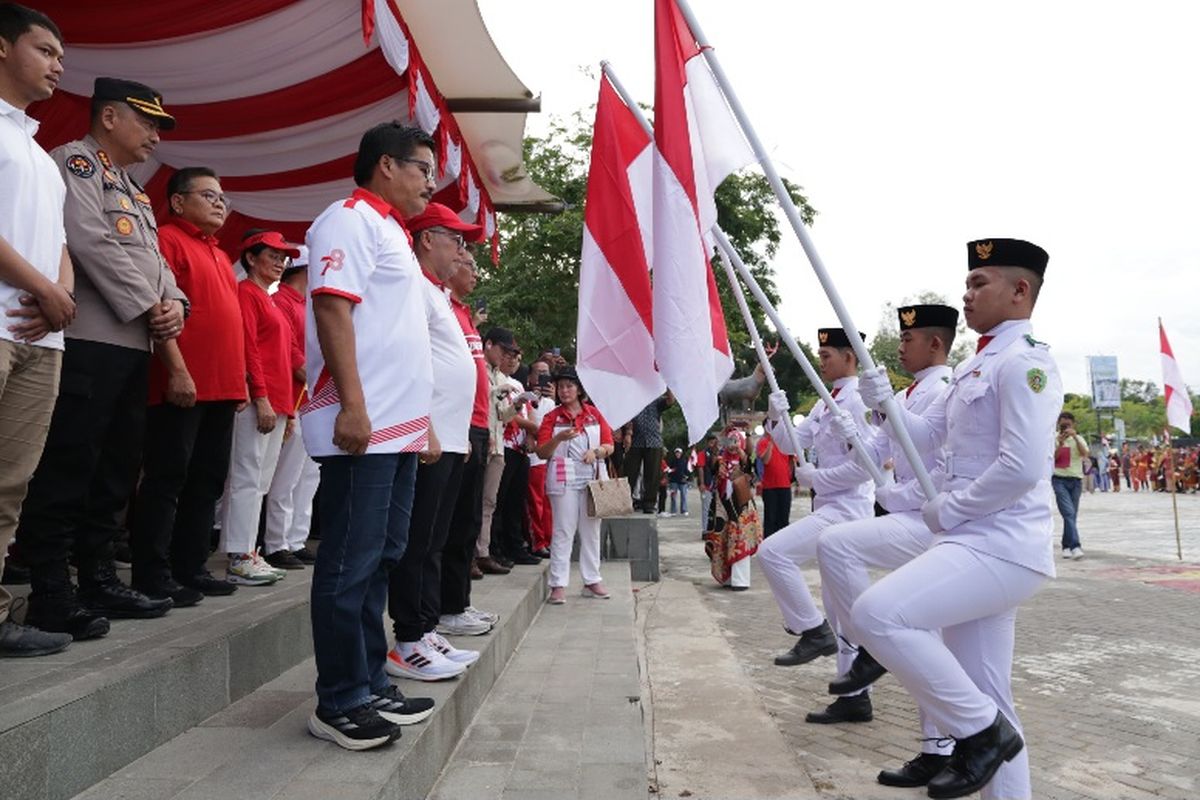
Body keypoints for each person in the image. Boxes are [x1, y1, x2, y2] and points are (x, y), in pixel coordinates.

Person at [852, 238, 1061, 800]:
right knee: (987, 689)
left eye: (979, 283)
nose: (966, 294)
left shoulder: (1026, 362)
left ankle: (980, 733)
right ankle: (988, 734)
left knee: (879, 613)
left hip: (1001, 543)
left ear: (1021, 291)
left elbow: (1020, 468)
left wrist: (950, 508)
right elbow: (925, 440)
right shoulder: (977, 365)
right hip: (975, 541)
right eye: (967, 283)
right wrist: (887, 403)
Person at [20, 77, 185, 638]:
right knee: (70, 466)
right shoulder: (75, 165)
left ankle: (97, 578)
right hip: (90, 340)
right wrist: (149, 307)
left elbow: (157, 260)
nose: (155, 138)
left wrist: (175, 307)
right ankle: (50, 588)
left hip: (133, 344)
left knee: (115, 470)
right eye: (148, 124)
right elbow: (89, 240)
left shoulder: (135, 191)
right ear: (110, 117)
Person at [302, 122, 438, 751]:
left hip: (398, 429)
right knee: (349, 563)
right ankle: (339, 699)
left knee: (381, 557)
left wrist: (422, 424)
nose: (429, 182)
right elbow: (333, 307)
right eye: (421, 169)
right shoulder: (348, 218)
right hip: (365, 425)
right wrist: (352, 406)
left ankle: (368, 678)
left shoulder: (393, 233)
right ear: (386, 165)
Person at [815, 303, 959, 788]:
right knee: (925, 636)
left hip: (927, 521)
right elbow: (878, 452)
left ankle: (869, 647)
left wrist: (889, 416)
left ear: (934, 344)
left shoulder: (945, 391)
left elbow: (929, 460)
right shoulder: (910, 391)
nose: (899, 346)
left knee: (837, 546)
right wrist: (855, 435)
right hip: (905, 514)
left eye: (908, 339)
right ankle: (937, 746)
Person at [0, 3, 76, 657]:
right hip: (3, 325)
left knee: (11, 484)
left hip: (39, 340)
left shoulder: (40, 155)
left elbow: (61, 245)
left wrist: (62, 294)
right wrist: (46, 290)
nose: (57, 65)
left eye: (59, 55)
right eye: (44, 50)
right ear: (2, 48)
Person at [131, 167, 244, 600]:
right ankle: (152, 574)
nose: (219, 203)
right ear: (178, 201)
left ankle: (190, 565)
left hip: (222, 387)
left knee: (208, 481)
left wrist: (240, 384)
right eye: (209, 195)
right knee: (167, 478)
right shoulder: (166, 239)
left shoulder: (218, 252)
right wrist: (176, 369)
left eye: (222, 198)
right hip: (182, 382)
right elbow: (159, 310)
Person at [756, 327, 876, 725]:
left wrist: (816, 480)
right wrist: (777, 415)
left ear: (849, 356)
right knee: (843, 610)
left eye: (827, 355)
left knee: (772, 552)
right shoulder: (827, 403)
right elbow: (792, 444)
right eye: (820, 355)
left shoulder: (858, 401)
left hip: (847, 511)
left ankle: (812, 631)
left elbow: (866, 467)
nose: (821, 362)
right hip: (828, 508)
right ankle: (853, 695)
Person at [385, 202, 482, 682]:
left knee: (434, 539)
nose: (461, 250)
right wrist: (423, 425)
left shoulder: (438, 295)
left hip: (453, 438)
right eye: (455, 240)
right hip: (430, 436)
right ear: (427, 240)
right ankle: (406, 639)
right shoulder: (414, 289)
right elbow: (409, 360)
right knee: (416, 540)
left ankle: (423, 627)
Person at [218, 230, 303, 585]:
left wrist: (288, 410)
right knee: (246, 477)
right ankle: (238, 554)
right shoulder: (246, 294)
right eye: (273, 255)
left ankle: (249, 551)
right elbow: (248, 349)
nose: (281, 263)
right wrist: (261, 396)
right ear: (251, 258)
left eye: (284, 258)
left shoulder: (267, 299)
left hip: (280, 401)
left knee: (261, 480)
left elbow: (283, 357)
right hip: (259, 400)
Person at [438, 251, 496, 637]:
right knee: (451, 523)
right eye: (469, 265)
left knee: (469, 522)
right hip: (455, 428)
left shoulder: (462, 315)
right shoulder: (442, 309)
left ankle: (459, 602)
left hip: (476, 427)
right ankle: (443, 609)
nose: (475, 274)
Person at [534, 366, 613, 605]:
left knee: (591, 531)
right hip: (563, 478)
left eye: (569, 386)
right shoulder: (552, 417)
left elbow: (609, 445)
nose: (564, 391)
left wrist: (596, 451)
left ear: (579, 389)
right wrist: (558, 438)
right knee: (563, 530)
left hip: (592, 479)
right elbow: (541, 451)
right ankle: (558, 584)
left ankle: (592, 580)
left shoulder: (595, 415)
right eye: (561, 387)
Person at [263, 247, 319, 567]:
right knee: (286, 476)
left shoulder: (307, 305)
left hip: (312, 400)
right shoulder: (281, 300)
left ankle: (296, 538)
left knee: (307, 475)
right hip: (293, 396)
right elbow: (291, 352)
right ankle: (276, 541)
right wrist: (309, 372)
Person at [475, 327, 520, 574]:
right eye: (503, 350)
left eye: (510, 352)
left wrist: (519, 403)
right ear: (488, 344)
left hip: (497, 444)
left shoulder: (501, 377)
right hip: (478, 440)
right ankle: (469, 554)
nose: (506, 357)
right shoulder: (477, 367)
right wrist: (496, 391)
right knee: (470, 501)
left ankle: (483, 551)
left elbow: (503, 415)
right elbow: (477, 398)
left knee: (489, 502)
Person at [704, 427, 761, 589]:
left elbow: (749, 460)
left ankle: (741, 580)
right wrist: (718, 446)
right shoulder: (721, 459)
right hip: (723, 507)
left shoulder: (744, 460)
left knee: (740, 539)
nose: (733, 445)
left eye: (736, 441)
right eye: (730, 441)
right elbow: (712, 466)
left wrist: (747, 435)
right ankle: (726, 577)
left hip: (741, 507)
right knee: (723, 540)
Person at [524, 358, 555, 559]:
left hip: (549, 458)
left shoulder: (552, 403)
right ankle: (538, 541)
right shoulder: (524, 398)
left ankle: (549, 539)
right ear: (530, 376)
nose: (542, 377)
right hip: (533, 457)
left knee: (548, 501)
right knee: (535, 502)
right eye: (538, 372)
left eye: (546, 373)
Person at [623, 394, 672, 513]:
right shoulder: (631, 399)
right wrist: (628, 433)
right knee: (629, 473)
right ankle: (625, 501)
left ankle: (649, 503)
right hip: (635, 441)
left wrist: (670, 382)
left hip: (654, 441)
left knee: (653, 474)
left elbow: (670, 401)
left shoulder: (656, 400)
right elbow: (626, 417)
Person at [1052, 411, 1088, 561]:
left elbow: (1084, 453)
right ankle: (1075, 546)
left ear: (1073, 425)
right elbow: (1053, 458)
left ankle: (1066, 545)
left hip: (1075, 479)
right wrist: (1060, 443)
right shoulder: (1053, 438)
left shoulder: (1078, 438)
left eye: (1068, 424)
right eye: (1063, 424)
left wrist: (1075, 437)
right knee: (1068, 512)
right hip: (1059, 479)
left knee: (1072, 514)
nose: (1065, 426)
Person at [756, 428, 794, 538]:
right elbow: (766, 460)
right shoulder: (763, 442)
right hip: (769, 486)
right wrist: (771, 443)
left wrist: (790, 476)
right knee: (770, 518)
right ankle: (768, 542)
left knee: (784, 517)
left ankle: (783, 542)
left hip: (785, 485)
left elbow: (792, 461)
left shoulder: (785, 443)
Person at [667, 447, 690, 515]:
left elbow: (687, 470)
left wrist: (687, 477)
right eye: (676, 452)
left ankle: (684, 510)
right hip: (673, 481)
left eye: (679, 452)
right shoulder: (672, 460)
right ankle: (673, 510)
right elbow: (669, 469)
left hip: (682, 480)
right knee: (673, 496)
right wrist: (670, 473)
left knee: (684, 496)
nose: (677, 454)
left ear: (681, 453)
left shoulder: (684, 460)